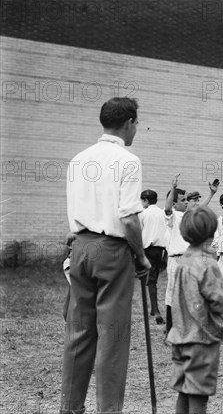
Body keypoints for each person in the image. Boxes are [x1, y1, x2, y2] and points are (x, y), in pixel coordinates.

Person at [61, 97, 151, 414]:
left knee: (80, 333)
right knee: (112, 339)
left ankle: (70, 409)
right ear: (129, 123)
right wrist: (141, 257)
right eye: (137, 123)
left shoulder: (78, 159)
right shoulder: (128, 160)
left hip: (81, 247)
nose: (137, 129)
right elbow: (128, 218)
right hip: (112, 250)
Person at [166, 206, 223, 414]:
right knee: (198, 393)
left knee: (184, 389)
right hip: (201, 338)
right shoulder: (207, 264)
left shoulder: (182, 262)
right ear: (212, 231)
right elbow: (215, 299)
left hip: (180, 335)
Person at [164, 175, 189, 333]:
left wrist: (211, 195)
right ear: (174, 203)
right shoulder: (171, 216)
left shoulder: (187, 216)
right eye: (183, 200)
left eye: (187, 199)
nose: (186, 202)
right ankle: (170, 330)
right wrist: (173, 188)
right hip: (176, 260)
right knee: (173, 295)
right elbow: (167, 208)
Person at [140, 189, 169, 324]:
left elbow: (139, 232)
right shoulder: (163, 213)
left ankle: (156, 310)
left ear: (145, 200)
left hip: (148, 249)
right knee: (155, 278)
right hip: (162, 250)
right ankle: (154, 309)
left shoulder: (143, 213)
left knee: (151, 281)